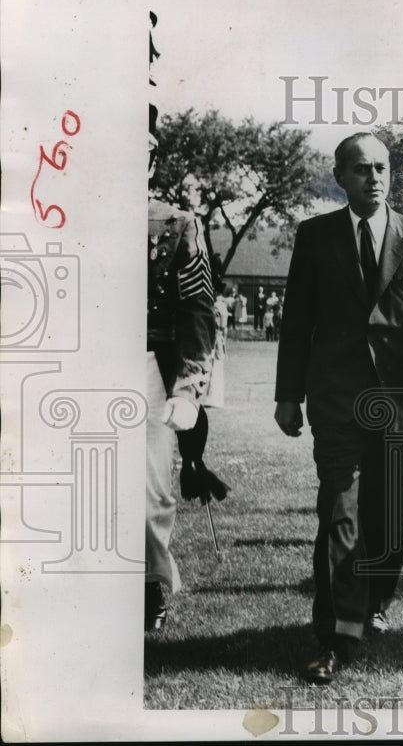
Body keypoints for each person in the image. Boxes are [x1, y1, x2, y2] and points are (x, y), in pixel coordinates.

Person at [274, 132, 403, 682]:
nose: (374, 178)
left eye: (381, 168)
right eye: (361, 169)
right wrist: (287, 394)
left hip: (398, 404)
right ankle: (336, 636)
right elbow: (297, 320)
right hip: (336, 400)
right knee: (340, 513)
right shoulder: (315, 237)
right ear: (340, 177)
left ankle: (371, 601)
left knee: (388, 521)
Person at [146, 198, 217, 631]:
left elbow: (197, 310)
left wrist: (189, 388)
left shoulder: (177, 224)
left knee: (149, 485)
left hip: (147, 365)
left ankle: (149, 581)